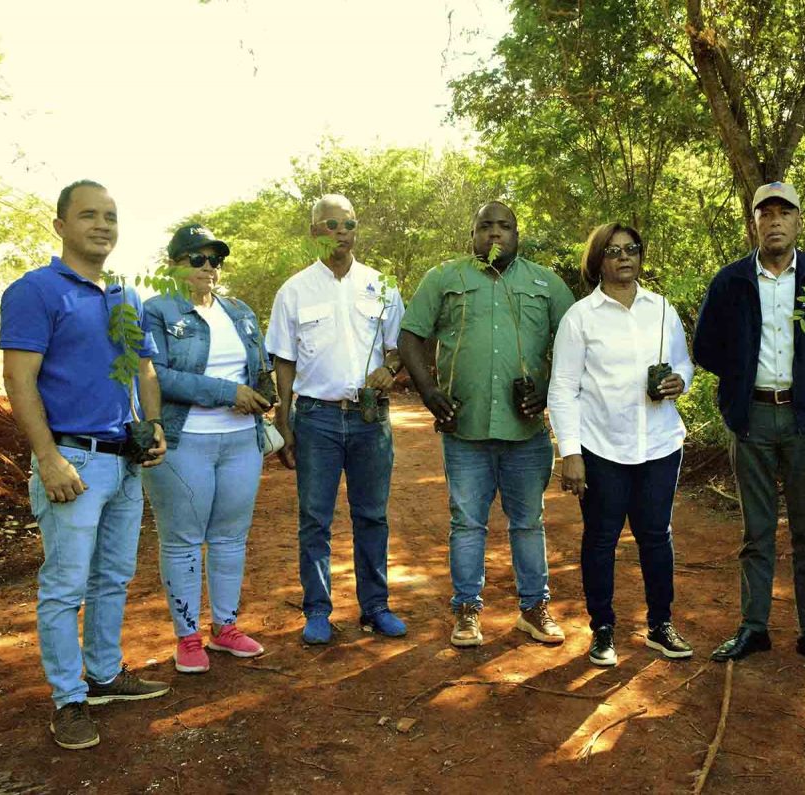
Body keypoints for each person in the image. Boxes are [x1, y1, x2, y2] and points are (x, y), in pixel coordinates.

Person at [0, 180, 170, 750]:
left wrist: (155, 426)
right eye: (89, 215)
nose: (102, 225)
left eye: (111, 216)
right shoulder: (36, 291)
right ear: (60, 226)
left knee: (113, 577)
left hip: (124, 461)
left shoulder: (125, 297)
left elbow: (144, 369)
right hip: (72, 459)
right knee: (65, 584)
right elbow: (18, 380)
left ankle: (103, 675)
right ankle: (68, 699)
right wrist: (47, 458)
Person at [693, 181, 805, 672]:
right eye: (765, 213)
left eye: (784, 213)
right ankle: (754, 628)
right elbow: (705, 348)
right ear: (753, 222)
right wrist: (739, 378)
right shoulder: (731, 282)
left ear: (798, 221)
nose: (774, 221)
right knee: (756, 531)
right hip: (751, 419)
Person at [398, 201, 575, 648]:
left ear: (518, 233)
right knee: (467, 523)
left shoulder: (545, 283)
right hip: (465, 429)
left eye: (504, 226)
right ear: (471, 233)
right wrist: (429, 391)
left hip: (527, 432)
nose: (495, 234)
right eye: (485, 226)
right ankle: (466, 611)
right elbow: (410, 336)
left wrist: (548, 387)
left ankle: (533, 609)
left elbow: (577, 339)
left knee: (528, 523)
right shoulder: (444, 278)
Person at [547, 223, 695, 666]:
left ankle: (660, 625)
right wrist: (569, 452)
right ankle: (604, 629)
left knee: (656, 536)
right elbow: (563, 388)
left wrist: (678, 382)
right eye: (612, 251)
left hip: (659, 444)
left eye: (631, 249)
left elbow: (685, 363)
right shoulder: (580, 318)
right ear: (598, 261)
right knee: (601, 539)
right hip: (601, 448)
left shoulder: (662, 309)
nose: (623, 257)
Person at [265, 194, 407, 645]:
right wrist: (284, 419)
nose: (341, 231)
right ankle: (318, 610)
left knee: (371, 515)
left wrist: (391, 367)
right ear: (314, 233)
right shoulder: (294, 290)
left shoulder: (381, 285)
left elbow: (395, 345)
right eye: (330, 224)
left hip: (369, 418)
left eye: (348, 223)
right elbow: (283, 361)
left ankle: (375, 607)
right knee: (315, 518)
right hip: (316, 418)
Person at [142, 225, 272, 673]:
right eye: (197, 259)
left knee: (230, 538)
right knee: (181, 540)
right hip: (184, 440)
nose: (208, 268)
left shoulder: (239, 311)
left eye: (214, 259)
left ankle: (225, 627)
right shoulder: (156, 311)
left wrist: (263, 392)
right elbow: (156, 375)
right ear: (174, 265)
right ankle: (187, 636)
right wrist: (226, 392)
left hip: (241, 440)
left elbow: (261, 366)